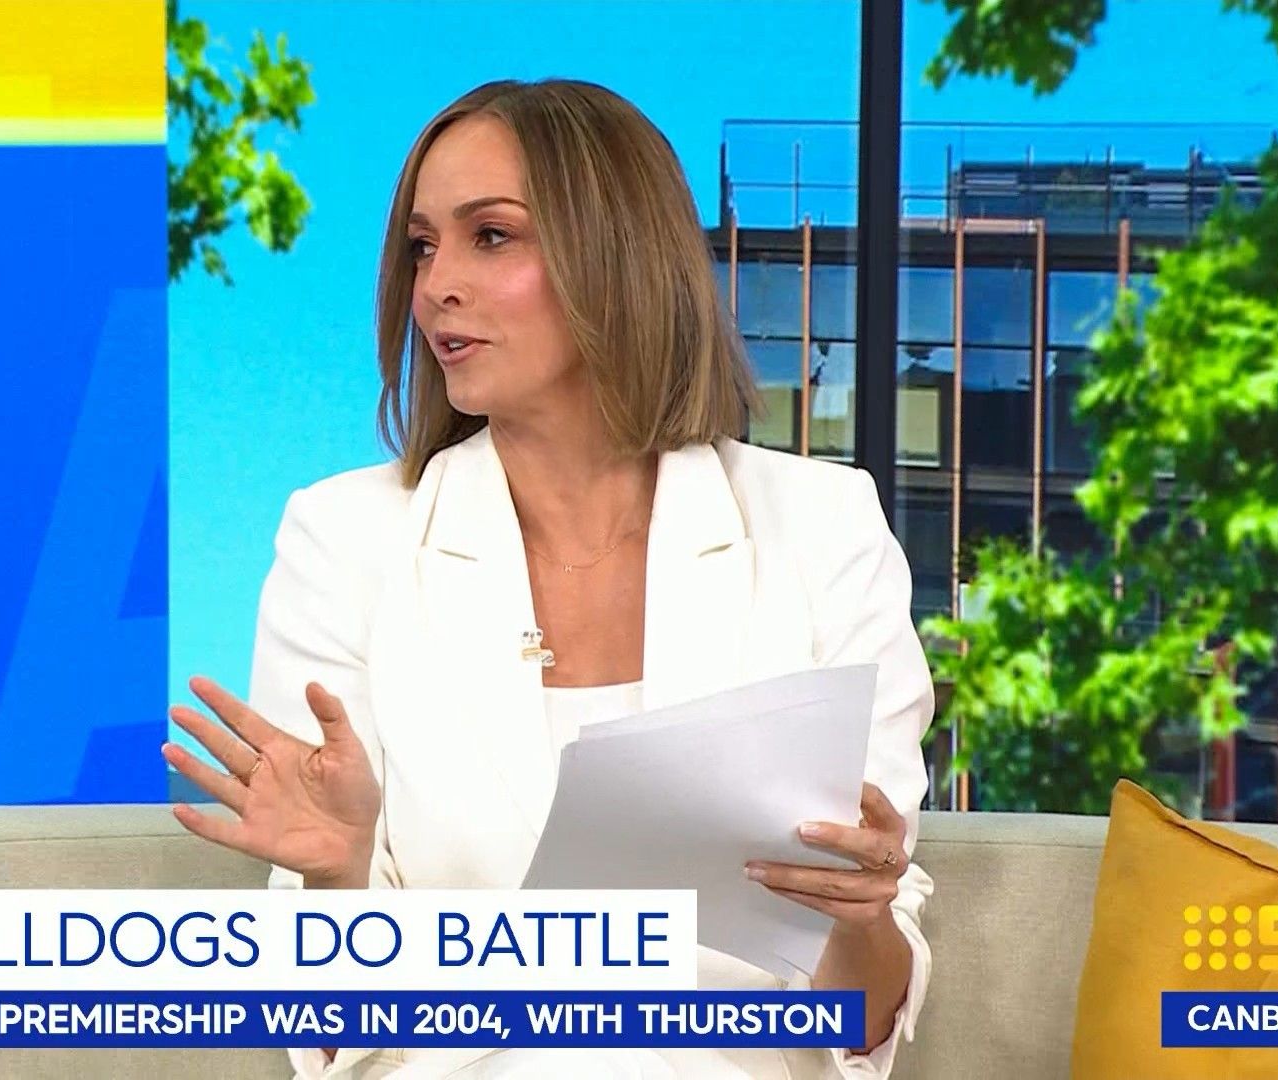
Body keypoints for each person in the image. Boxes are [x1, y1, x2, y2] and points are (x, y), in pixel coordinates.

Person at [162, 78, 935, 1079]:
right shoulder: (344, 539)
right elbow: (335, 1033)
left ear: (616, 255)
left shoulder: (823, 529)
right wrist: (337, 879)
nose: (437, 285)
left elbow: (855, 1028)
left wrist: (862, 914)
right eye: (422, 247)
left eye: (491, 236)